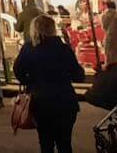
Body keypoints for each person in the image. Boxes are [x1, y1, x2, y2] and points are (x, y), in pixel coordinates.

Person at [14, 14, 85, 153]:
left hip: (40, 102)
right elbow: (78, 76)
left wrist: (30, 82)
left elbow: (18, 70)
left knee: (46, 143)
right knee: (65, 143)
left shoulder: (28, 49)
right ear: (53, 29)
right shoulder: (64, 49)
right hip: (65, 101)